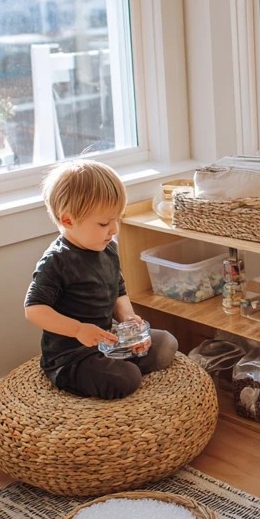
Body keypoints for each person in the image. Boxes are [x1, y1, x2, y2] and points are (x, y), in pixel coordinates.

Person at [25, 160, 178, 400]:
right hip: (72, 356)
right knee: (126, 379)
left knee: (166, 344)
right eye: (104, 223)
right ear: (68, 220)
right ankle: (101, 373)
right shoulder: (56, 261)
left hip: (109, 341)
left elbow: (118, 290)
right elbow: (34, 310)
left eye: (117, 219)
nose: (114, 229)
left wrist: (129, 321)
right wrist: (77, 330)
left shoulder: (108, 249)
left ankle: (118, 364)